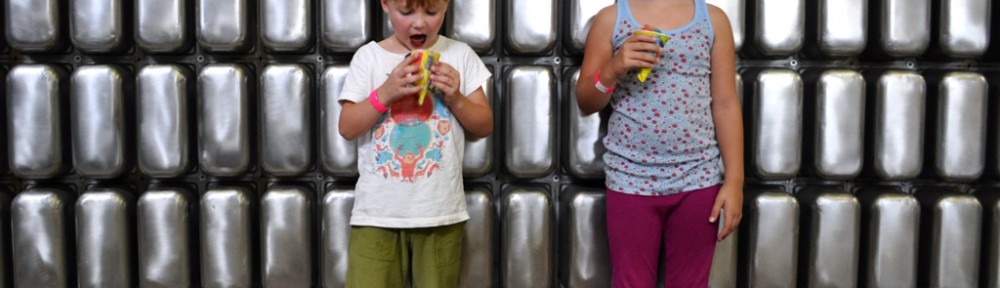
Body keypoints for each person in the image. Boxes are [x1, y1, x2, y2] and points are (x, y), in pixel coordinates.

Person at [575, 0, 744, 287]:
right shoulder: (610, 19)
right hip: (629, 178)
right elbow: (586, 101)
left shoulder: (714, 20)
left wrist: (735, 181)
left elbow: (726, 105)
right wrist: (614, 68)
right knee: (631, 281)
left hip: (698, 179)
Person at [337, 0, 493, 287]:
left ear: (446, 5)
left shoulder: (460, 55)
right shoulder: (368, 57)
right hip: (377, 215)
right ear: (385, 4)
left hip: (441, 214)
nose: (419, 23)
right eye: (406, 12)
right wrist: (384, 93)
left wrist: (455, 96)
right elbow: (347, 126)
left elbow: (483, 125)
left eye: (431, 12)